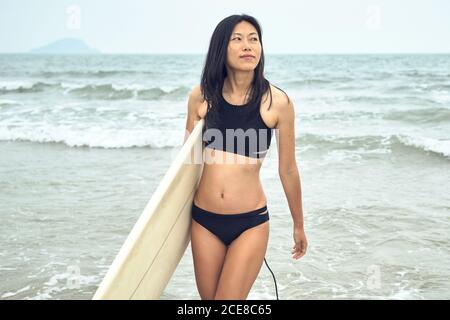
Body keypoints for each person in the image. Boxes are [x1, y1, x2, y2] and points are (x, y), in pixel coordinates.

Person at [183, 14, 307, 300]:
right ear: (221, 49)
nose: (247, 46)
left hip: (249, 223)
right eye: (237, 39)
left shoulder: (277, 102)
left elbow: (288, 170)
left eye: (253, 39)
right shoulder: (201, 97)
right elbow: (186, 165)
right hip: (203, 221)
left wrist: (298, 225)